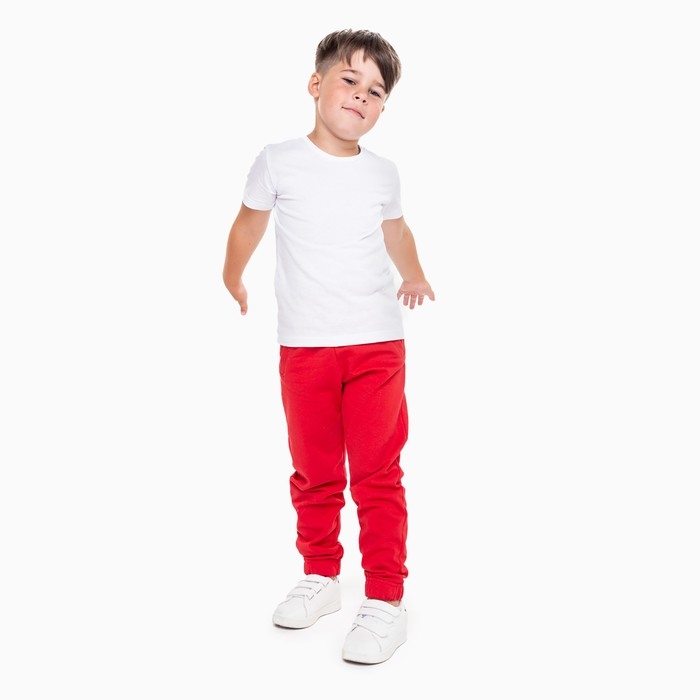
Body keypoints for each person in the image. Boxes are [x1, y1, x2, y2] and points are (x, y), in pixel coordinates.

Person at [222, 28, 435, 665]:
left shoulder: (382, 173)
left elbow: (397, 233)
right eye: (350, 80)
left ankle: (386, 597)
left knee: (376, 472)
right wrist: (232, 276)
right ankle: (320, 575)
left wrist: (414, 274)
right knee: (314, 471)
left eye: (376, 91)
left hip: (376, 345)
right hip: (305, 348)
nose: (362, 96)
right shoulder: (278, 161)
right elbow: (248, 224)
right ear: (316, 85)